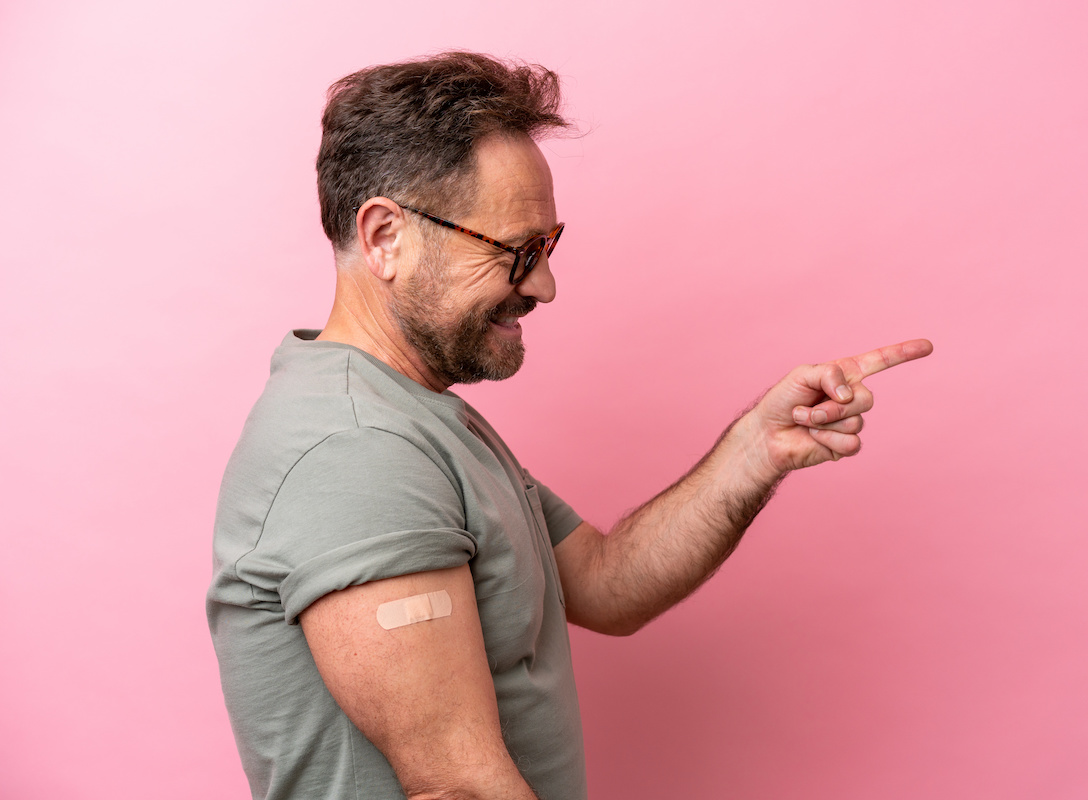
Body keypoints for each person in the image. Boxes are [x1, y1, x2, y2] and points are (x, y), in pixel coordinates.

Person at [206, 51, 933, 800]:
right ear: (387, 236)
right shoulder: (357, 450)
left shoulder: (419, 420)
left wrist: (755, 449)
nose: (545, 285)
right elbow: (459, 787)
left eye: (547, 247)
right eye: (518, 251)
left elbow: (606, 582)